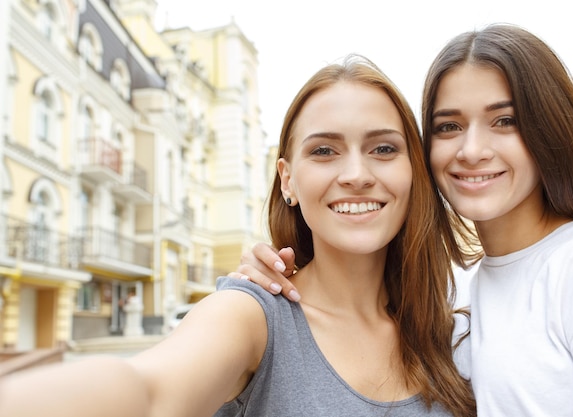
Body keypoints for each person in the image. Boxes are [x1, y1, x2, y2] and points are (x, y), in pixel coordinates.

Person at [0, 54, 476, 417]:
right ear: (287, 180)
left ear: (413, 171)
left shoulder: (445, 333)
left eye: (383, 148)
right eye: (325, 150)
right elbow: (147, 391)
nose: (356, 173)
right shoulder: (253, 315)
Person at [230, 24, 573, 417]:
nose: (472, 150)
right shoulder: (463, 300)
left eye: (504, 121)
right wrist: (259, 285)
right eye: (448, 126)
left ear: (550, 128)